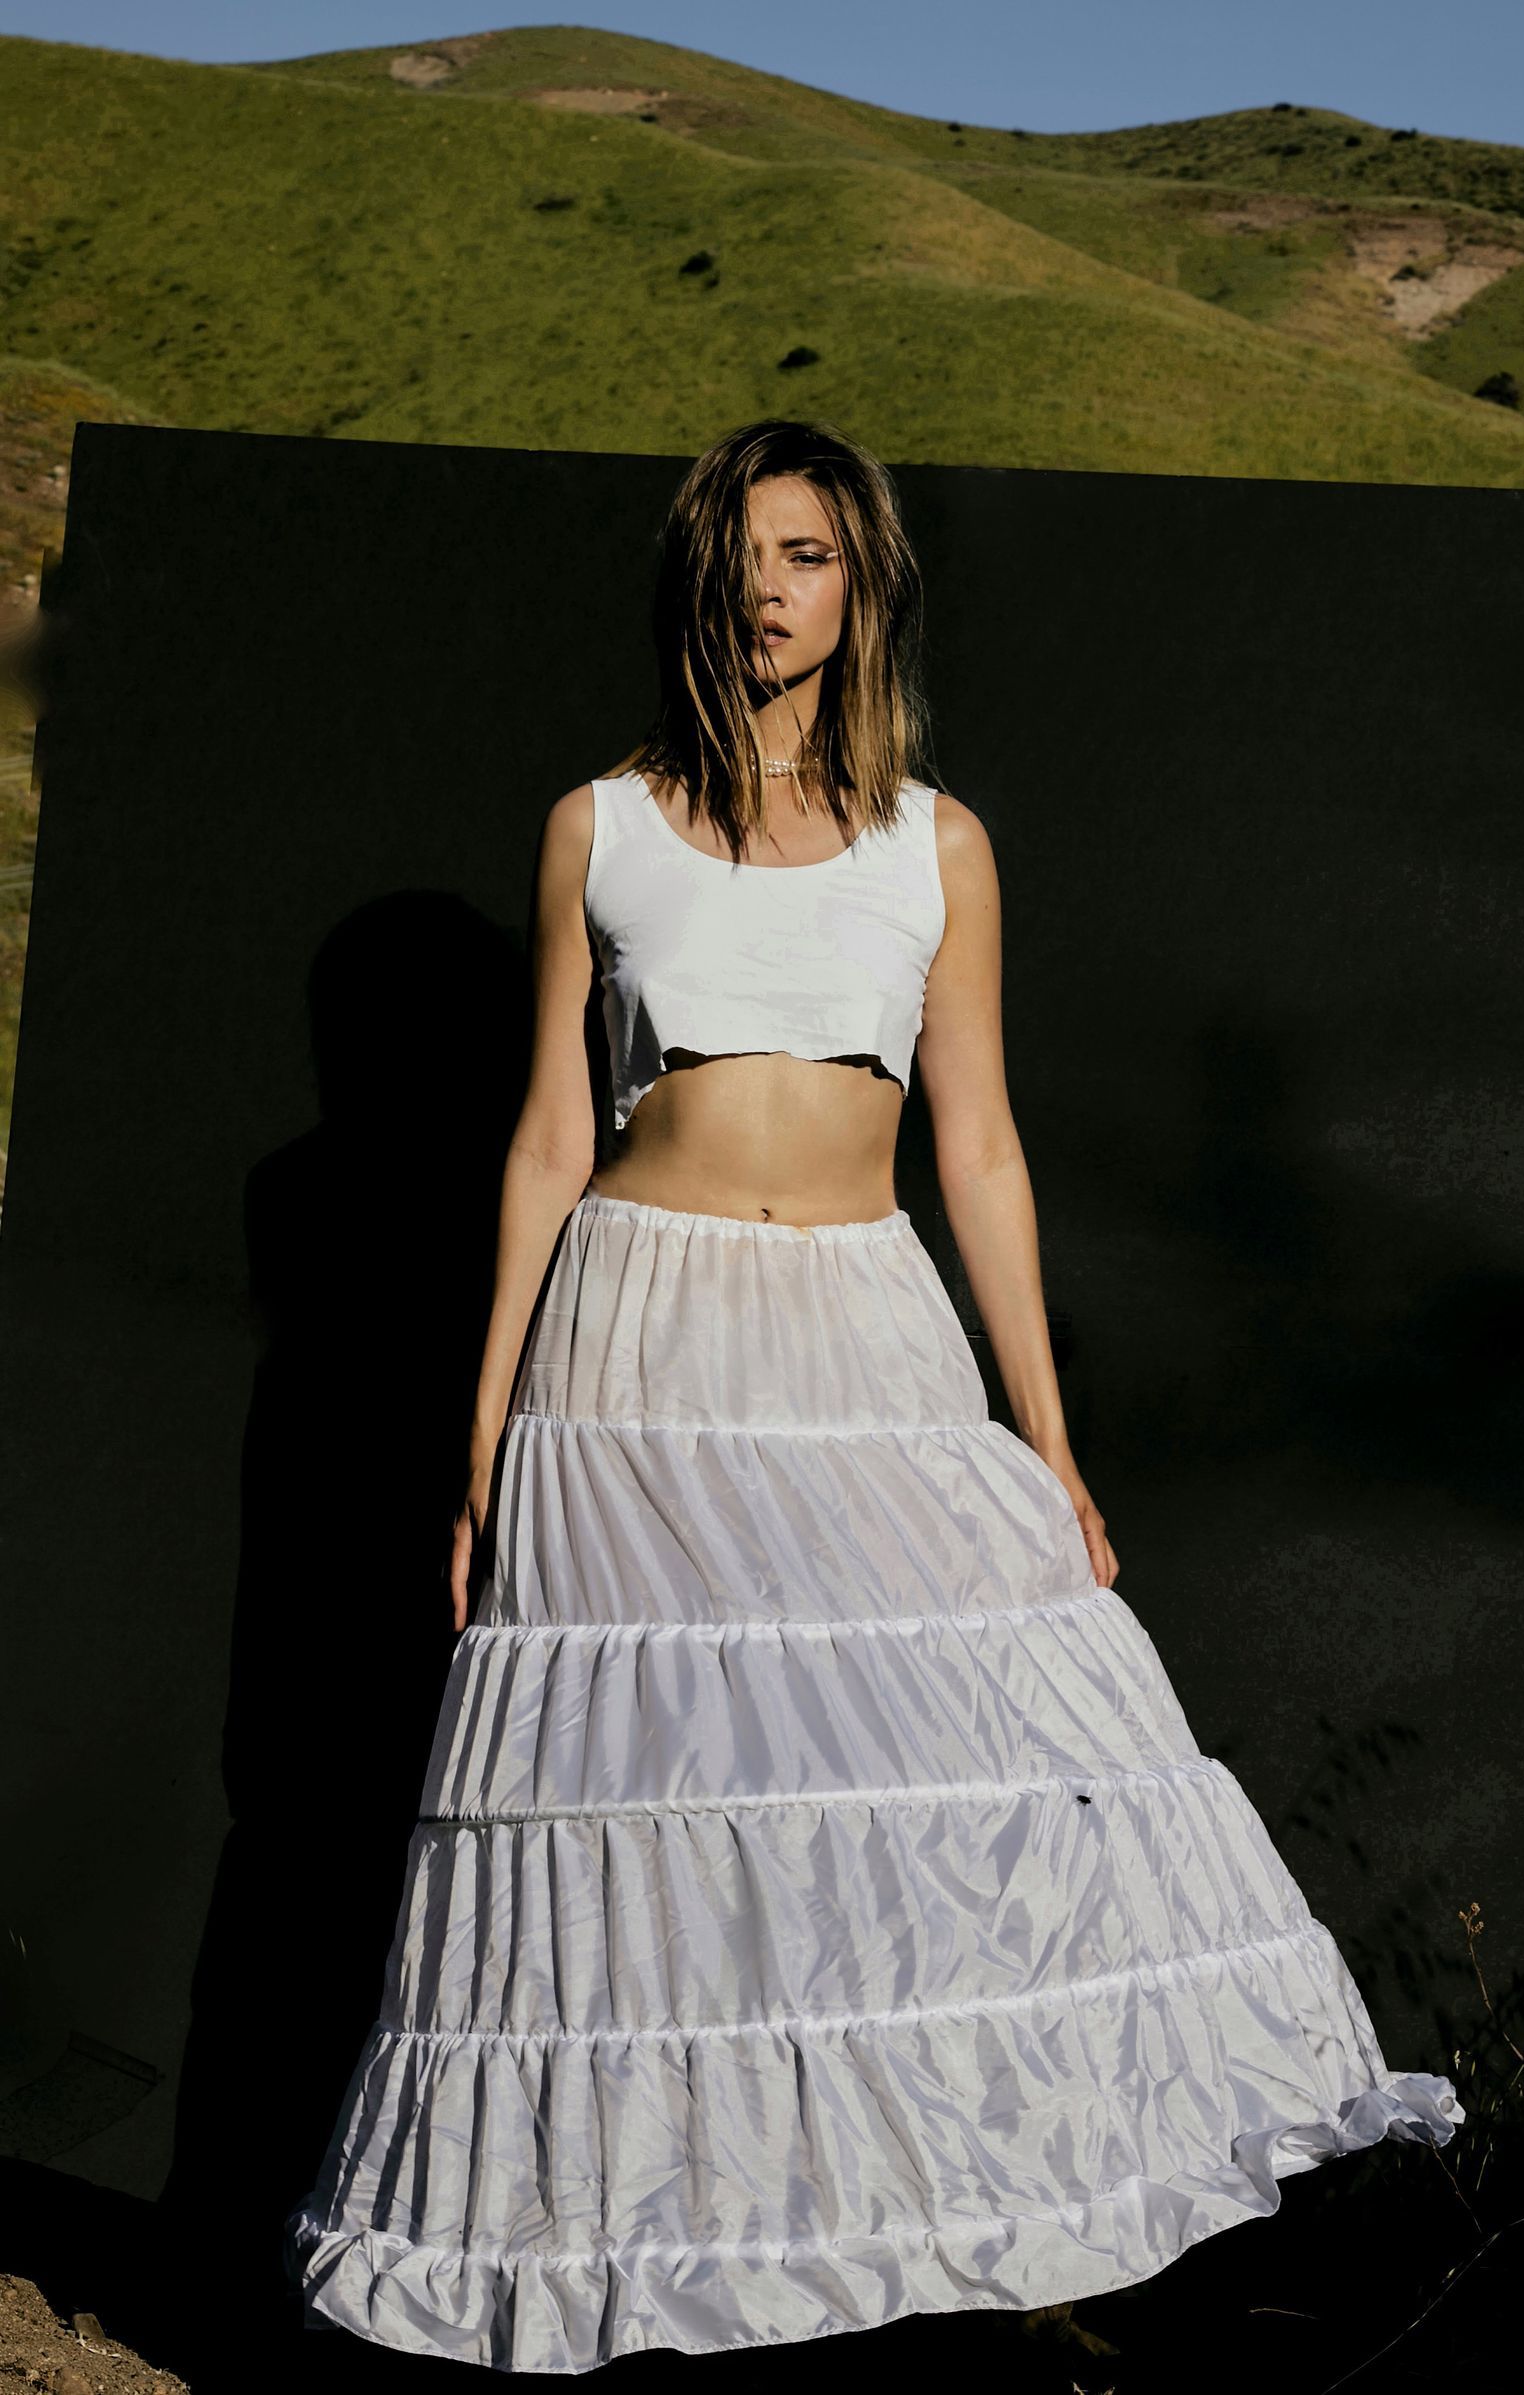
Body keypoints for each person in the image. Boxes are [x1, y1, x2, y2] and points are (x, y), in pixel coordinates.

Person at [283, 418, 1461, 2372]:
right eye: (746, 549)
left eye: (811, 552)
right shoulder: (601, 826)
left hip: (864, 1343)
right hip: (635, 1357)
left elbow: (979, 1147)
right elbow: (545, 1135)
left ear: (863, 585)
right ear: (698, 573)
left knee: (928, 1789)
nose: (772, 585)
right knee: (646, 1826)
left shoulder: (940, 845)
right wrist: (486, 1434)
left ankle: (934, 2267)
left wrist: (1049, 1440)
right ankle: (655, 2286)